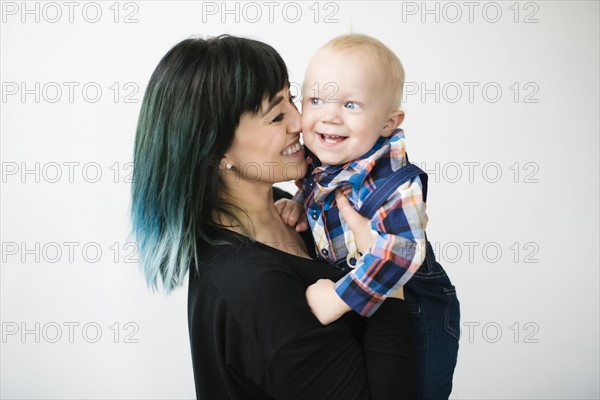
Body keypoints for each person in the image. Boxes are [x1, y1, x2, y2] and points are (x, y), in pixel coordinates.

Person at [130, 35, 415, 399]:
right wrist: (388, 267)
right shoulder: (253, 291)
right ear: (216, 150)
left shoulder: (294, 205)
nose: (301, 121)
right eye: (277, 115)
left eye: (292, 99)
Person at [278, 33, 461, 399]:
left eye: (351, 105)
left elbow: (401, 252)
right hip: (360, 294)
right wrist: (300, 201)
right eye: (315, 100)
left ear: (387, 123)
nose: (329, 115)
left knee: (416, 387)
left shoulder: (395, 183)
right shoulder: (323, 162)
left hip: (414, 306)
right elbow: (323, 188)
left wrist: (340, 299)